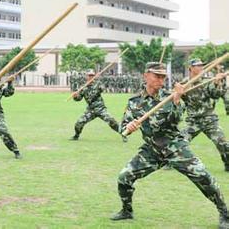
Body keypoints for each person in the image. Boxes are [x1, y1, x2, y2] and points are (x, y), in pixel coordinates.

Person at [111, 62, 228, 228]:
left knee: (203, 177)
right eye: (157, 76)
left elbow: (176, 119)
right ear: (146, 75)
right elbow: (123, 128)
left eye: (163, 76)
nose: (161, 79)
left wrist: (176, 100)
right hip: (152, 150)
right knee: (124, 177)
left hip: (175, 147)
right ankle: (126, 210)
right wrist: (128, 128)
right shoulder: (134, 103)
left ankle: (225, 213)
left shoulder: (169, 96)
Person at [180, 58, 229, 171]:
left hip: (209, 120)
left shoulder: (207, 81)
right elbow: (176, 100)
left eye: (202, 65)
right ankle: (170, 163)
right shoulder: (184, 83)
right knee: (179, 142)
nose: (201, 67)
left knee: (223, 143)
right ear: (191, 68)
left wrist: (217, 83)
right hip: (193, 121)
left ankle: (228, 165)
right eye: (198, 66)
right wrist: (178, 93)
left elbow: (216, 95)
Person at [70, 69, 127, 142]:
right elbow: (78, 99)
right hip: (91, 110)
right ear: (86, 76)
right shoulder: (83, 87)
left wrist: (98, 81)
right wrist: (75, 96)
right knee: (79, 123)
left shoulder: (98, 84)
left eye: (92, 75)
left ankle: (123, 134)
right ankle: (76, 135)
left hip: (101, 109)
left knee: (112, 121)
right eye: (89, 75)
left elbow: (103, 88)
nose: (91, 77)